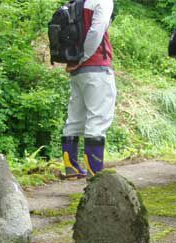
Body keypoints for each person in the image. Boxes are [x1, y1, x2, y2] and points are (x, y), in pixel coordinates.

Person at [61, 0, 116, 179]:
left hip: (78, 71)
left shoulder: (78, 2)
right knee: (98, 118)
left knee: (75, 117)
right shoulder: (103, 1)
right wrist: (83, 57)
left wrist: (75, 60)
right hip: (96, 67)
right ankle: (95, 173)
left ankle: (72, 167)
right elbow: (96, 31)